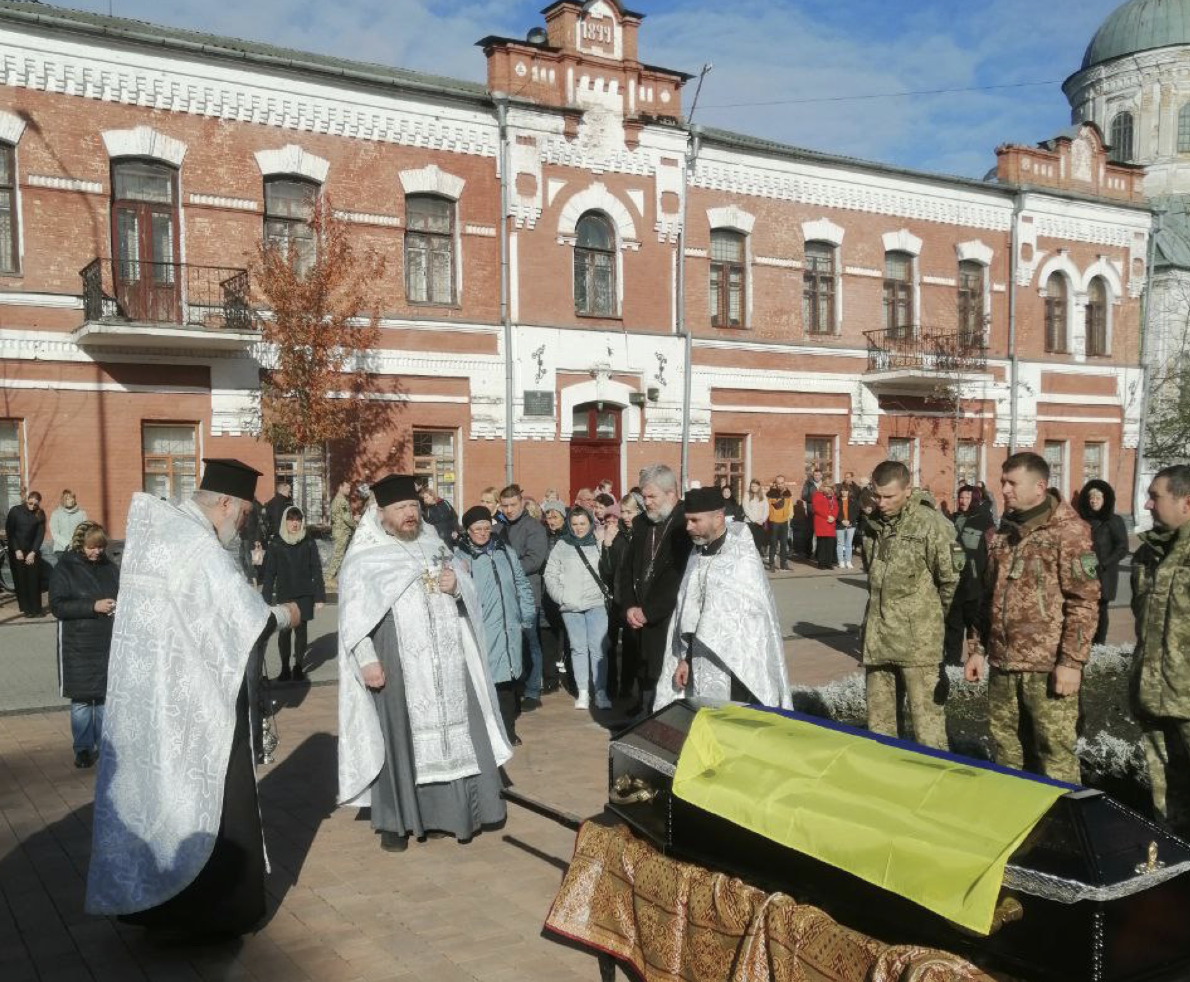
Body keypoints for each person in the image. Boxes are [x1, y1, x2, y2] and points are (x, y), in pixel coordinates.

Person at [86, 459, 302, 936]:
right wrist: (289, 614)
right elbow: (248, 618)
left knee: (162, 792)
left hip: (155, 696)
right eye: (244, 515)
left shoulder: (163, 534)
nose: (243, 526)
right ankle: (215, 914)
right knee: (218, 797)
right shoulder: (200, 548)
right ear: (226, 503)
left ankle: (158, 910)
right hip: (199, 701)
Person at [336, 474, 511, 853]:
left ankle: (463, 814)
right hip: (398, 661)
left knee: (463, 728)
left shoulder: (434, 542)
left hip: (448, 660)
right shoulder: (365, 556)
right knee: (399, 735)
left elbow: (468, 589)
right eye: (401, 509)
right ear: (381, 513)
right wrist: (366, 661)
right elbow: (352, 619)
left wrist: (458, 585)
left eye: (413, 507)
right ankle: (397, 821)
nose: (410, 514)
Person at [965, 452, 1100, 784]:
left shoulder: (1068, 532)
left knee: (1054, 754)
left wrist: (1071, 662)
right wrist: (977, 649)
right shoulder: (1003, 533)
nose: (1005, 490)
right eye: (1003, 482)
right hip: (1003, 664)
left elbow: (1084, 602)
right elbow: (988, 596)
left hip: (1047, 666)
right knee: (1006, 751)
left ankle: (1065, 828)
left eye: (1012, 483)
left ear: (1040, 486)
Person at [656, 487, 792, 710]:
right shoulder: (697, 553)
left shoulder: (741, 556)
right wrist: (685, 658)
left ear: (718, 518)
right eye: (687, 521)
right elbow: (687, 610)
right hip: (700, 659)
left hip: (739, 667)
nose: (688, 527)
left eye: (695, 521)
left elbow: (755, 618)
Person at [862, 460, 964, 751]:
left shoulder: (932, 525)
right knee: (880, 732)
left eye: (889, 497)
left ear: (908, 490)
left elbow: (951, 582)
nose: (881, 503)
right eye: (877, 496)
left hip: (918, 646)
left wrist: (928, 620)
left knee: (928, 733)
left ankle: (936, 790)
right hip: (879, 640)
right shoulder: (874, 526)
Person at [1131, 465, 1190, 835]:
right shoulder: (1147, 555)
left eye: (1155, 496)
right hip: (1153, 697)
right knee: (1166, 799)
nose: (1148, 504)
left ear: (1186, 502)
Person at [456, 506, 535, 746]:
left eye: (486, 528)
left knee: (510, 680)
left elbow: (521, 583)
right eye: (476, 529)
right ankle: (489, 732)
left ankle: (508, 730)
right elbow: (455, 595)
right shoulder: (460, 556)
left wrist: (527, 613)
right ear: (467, 531)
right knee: (488, 680)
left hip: (509, 624)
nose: (482, 533)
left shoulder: (505, 552)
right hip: (482, 627)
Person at [622, 464, 692, 714]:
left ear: (671, 494)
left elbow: (679, 578)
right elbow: (628, 568)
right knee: (642, 673)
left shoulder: (686, 524)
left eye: (652, 496)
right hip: (638, 617)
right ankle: (643, 712)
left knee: (662, 675)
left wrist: (649, 611)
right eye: (644, 496)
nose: (646, 502)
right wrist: (629, 605)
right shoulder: (642, 523)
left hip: (666, 617)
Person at [48, 521, 118, 768]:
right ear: (80, 545)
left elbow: (122, 593)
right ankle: (83, 749)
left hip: (105, 641)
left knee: (102, 697)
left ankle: (103, 745)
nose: (97, 552)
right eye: (92, 547)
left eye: (100, 546)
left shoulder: (110, 567)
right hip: (77, 643)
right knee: (81, 700)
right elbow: (57, 606)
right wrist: (93, 606)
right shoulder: (65, 568)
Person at [544, 506, 612, 710]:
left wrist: (605, 542)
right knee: (578, 648)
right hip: (571, 606)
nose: (579, 528)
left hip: (596, 603)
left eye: (583, 523)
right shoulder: (562, 545)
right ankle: (583, 691)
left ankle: (600, 691)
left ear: (590, 523)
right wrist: (561, 597)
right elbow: (550, 573)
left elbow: (608, 568)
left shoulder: (598, 543)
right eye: (575, 524)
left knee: (598, 649)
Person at [497, 483, 551, 706]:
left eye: (512, 505)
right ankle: (516, 686)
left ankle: (532, 691)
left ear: (521, 503)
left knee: (530, 643)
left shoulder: (534, 527)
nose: (508, 510)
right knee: (511, 642)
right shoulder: (498, 529)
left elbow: (535, 560)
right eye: (504, 505)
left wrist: (504, 567)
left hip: (528, 593)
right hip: (505, 595)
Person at [261, 506, 326, 682]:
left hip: (305, 593)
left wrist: (319, 597)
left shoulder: (308, 541)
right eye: (291, 519)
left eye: (298, 520)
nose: (294, 524)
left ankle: (298, 666)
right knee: (284, 632)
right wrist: (265, 600)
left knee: (301, 631)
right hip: (284, 594)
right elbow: (269, 573)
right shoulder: (276, 543)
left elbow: (316, 570)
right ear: (285, 521)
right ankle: (284, 669)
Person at [944, 485, 994, 665]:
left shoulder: (984, 520)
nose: (963, 501)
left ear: (973, 498)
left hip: (975, 584)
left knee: (975, 627)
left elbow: (992, 551)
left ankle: (975, 662)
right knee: (953, 625)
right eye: (960, 497)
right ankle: (952, 662)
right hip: (955, 582)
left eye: (966, 497)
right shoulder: (953, 520)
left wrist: (988, 580)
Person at [1077, 479, 1129, 645]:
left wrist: (1105, 563)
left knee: (1101, 609)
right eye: (1091, 498)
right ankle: (1086, 641)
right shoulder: (1083, 521)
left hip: (1105, 573)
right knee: (1084, 608)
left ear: (1105, 500)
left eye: (1097, 499)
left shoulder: (1114, 521)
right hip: (1086, 570)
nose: (1093, 502)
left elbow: (1122, 548)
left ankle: (1100, 644)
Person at [539, 499, 572, 695]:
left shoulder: (569, 536)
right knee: (548, 636)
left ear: (563, 518)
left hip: (566, 592)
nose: (551, 521)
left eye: (555, 517)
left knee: (569, 637)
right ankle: (550, 679)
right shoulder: (542, 536)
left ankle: (571, 678)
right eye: (548, 517)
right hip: (546, 593)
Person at [6, 490, 45, 617]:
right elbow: (10, 532)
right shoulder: (15, 511)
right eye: (30, 503)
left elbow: (40, 535)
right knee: (21, 580)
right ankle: (27, 609)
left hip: (32, 551)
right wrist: (16, 549)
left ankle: (36, 609)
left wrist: (33, 552)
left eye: (35, 504)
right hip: (16, 550)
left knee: (34, 580)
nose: (32, 506)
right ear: (27, 500)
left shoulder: (40, 513)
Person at [328, 480, 358, 578]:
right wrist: (355, 525)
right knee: (338, 556)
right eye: (347, 488)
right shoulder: (342, 501)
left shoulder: (337, 499)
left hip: (339, 531)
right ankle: (329, 577)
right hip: (342, 533)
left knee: (339, 555)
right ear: (340, 488)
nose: (349, 490)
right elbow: (347, 518)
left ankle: (335, 576)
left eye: (349, 488)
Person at [49, 489, 87, 556]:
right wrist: (67, 544)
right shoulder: (56, 514)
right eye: (67, 498)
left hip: (77, 549)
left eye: (72, 498)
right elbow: (54, 533)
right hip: (61, 549)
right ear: (63, 500)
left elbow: (84, 531)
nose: (70, 500)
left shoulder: (82, 514)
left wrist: (75, 543)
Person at [766, 476, 793, 571]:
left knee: (784, 543)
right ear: (775, 484)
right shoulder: (771, 494)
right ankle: (771, 563)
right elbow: (777, 505)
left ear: (784, 483)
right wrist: (781, 495)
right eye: (778, 483)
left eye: (782, 483)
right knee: (773, 543)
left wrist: (790, 516)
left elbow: (789, 506)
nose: (780, 485)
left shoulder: (788, 493)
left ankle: (783, 563)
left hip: (784, 521)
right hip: (774, 521)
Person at [419, 482, 459, 547]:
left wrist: (456, 530)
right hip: (440, 539)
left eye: (426, 497)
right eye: (424, 498)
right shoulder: (428, 510)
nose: (425, 500)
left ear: (432, 495)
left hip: (452, 535)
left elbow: (454, 517)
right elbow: (429, 526)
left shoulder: (445, 503)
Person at [811, 482, 839, 570]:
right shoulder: (817, 495)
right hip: (821, 522)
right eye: (826, 486)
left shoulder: (833, 496)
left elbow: (836, 508)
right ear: (823, 487)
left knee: (830, 544)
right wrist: (827, 516)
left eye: (829, 487)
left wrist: (833, 517)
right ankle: (821, 563)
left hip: (830, 523)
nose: (828, 488)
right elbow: (816, 508)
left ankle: (829, 563)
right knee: (822, 544)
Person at [836, 473, 861, 570]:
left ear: (848, 491)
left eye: (845, 491)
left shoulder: (853, 501)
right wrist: (842, 520)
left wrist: (849, 521)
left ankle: (848, 561)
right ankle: (841, 561)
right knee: (840, 543)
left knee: (848, 544)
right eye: (842, 490)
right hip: (840, 524)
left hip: (851, 524)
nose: (844, 492)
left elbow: (856, 512)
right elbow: (836, 513)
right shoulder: (837, 501)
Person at [800, 468, 823, 559]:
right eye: (815, 475)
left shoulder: (824, 484)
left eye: (818, 475)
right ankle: (808, 553)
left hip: (822, 513)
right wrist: (815, 498)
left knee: (820, 534)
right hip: (811, 512)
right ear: (813, 476)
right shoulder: (808, 484)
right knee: (809, 533)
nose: (817, 477)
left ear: (821, 475)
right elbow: (804, 496)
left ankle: (819, 554)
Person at [263, 478, 293, 544]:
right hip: (279, 536)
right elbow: (278, 519)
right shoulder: (281, 502)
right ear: (283, 490)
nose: (290, 493)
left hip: (272, 534)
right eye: (289, 491)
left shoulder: (272, 501)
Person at [743, 478, 768, 553]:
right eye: (752, 486)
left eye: (755, 486)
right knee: (750, 544)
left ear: (759, 486)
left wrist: (763, 519)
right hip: (750, 523)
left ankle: (757, 562)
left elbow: (766, 509)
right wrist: (755, 520)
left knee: (758, 543)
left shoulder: (763, 495)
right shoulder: (747, 494)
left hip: (760, 523)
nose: (753, 488)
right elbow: (746, 508)